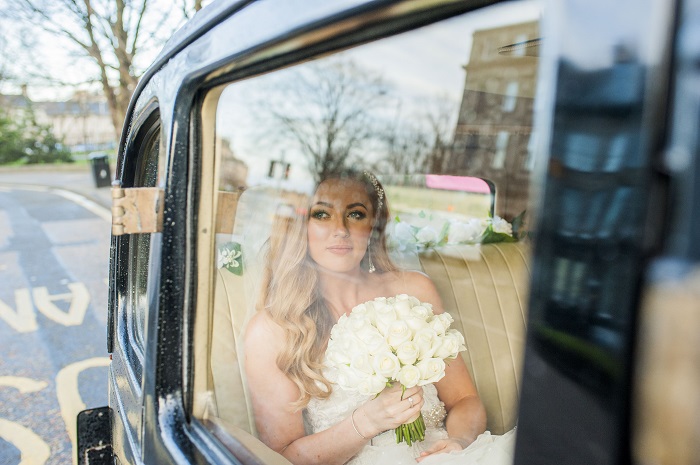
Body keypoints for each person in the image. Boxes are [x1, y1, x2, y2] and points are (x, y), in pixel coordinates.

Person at [243, 170, 516, 465]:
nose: (341, 230)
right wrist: (365, 423)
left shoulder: (413, 292)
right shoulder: (272, 331)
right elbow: (282, 457)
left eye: (356, 214)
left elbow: (465, 400)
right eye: (322, 215)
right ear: (300, 226)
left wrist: (459, 442)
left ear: (374, 226)